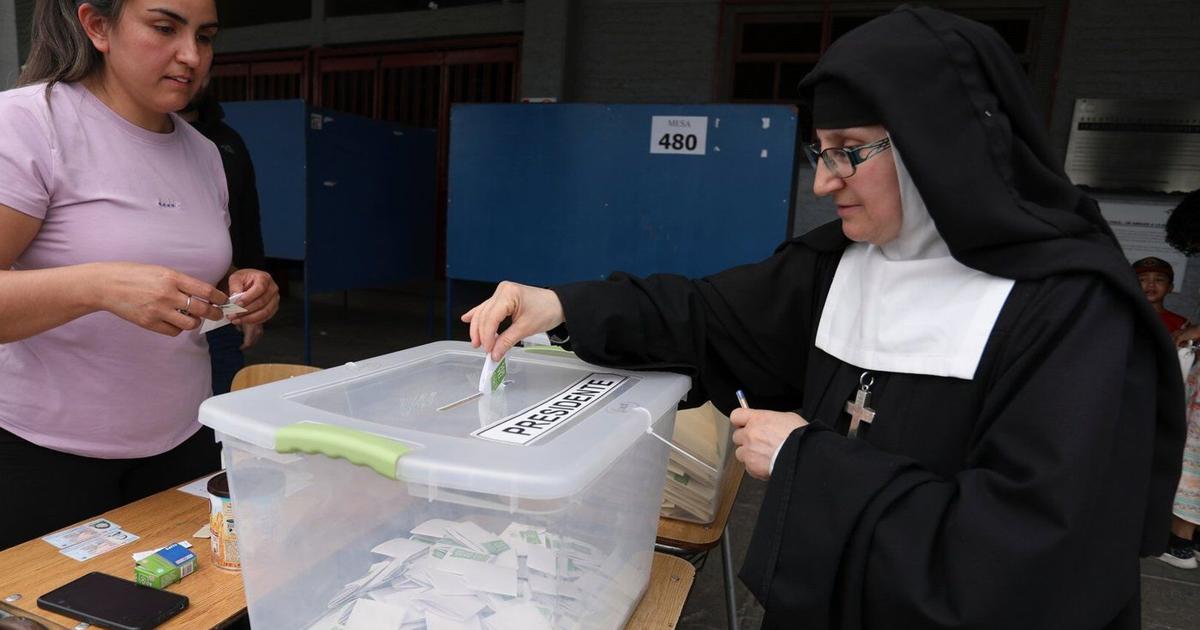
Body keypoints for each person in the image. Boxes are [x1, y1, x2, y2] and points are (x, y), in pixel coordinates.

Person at [463, 7, 1184, 629]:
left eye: (849, 152)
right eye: (821, 151)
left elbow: (1033, 558)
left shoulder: (1075, 315)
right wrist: (560, 305)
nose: (822, 181)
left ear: (937, 145)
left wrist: (806, 463)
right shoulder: (840, 263)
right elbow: (704, 315)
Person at [0, 0, 279, 550]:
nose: (191, 55)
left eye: (205, 36)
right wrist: (98, 286)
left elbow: (182, 266)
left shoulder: (205, 152)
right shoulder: (30, 122)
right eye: (164, 27)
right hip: (43, 454)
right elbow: (116, 273)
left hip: (183, 440)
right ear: (97, 26)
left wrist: (239, 285)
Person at [179, 88, 267, 395]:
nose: (189, 66)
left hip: (220, 302)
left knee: (222, 399)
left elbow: (247, 221)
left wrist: (250, 301)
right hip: (152, 313)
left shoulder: (224, 143)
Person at [1133, 256, 1189, 334]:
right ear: (1131, 285)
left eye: (1159, 280)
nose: (1151, 284)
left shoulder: (1181, 323)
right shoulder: (1119, 318)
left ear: (1170, 287)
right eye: (1142, 280)